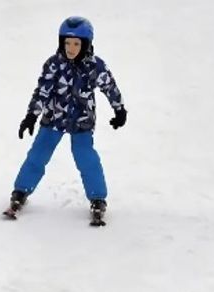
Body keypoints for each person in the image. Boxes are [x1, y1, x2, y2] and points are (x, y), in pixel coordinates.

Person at [7, 16, 126, 224]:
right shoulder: (54, 65)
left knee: (86, 158)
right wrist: (31, 115)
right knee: (38, 154)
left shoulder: (94, 66)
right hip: (54, 118)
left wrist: (119, 109)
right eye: (67, 43)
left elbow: (110, 87)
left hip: (81, 121)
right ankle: (20, 191)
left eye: (76, 44)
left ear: (86, 45)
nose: (71, 48)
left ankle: (98, 198)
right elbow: (42, 91)